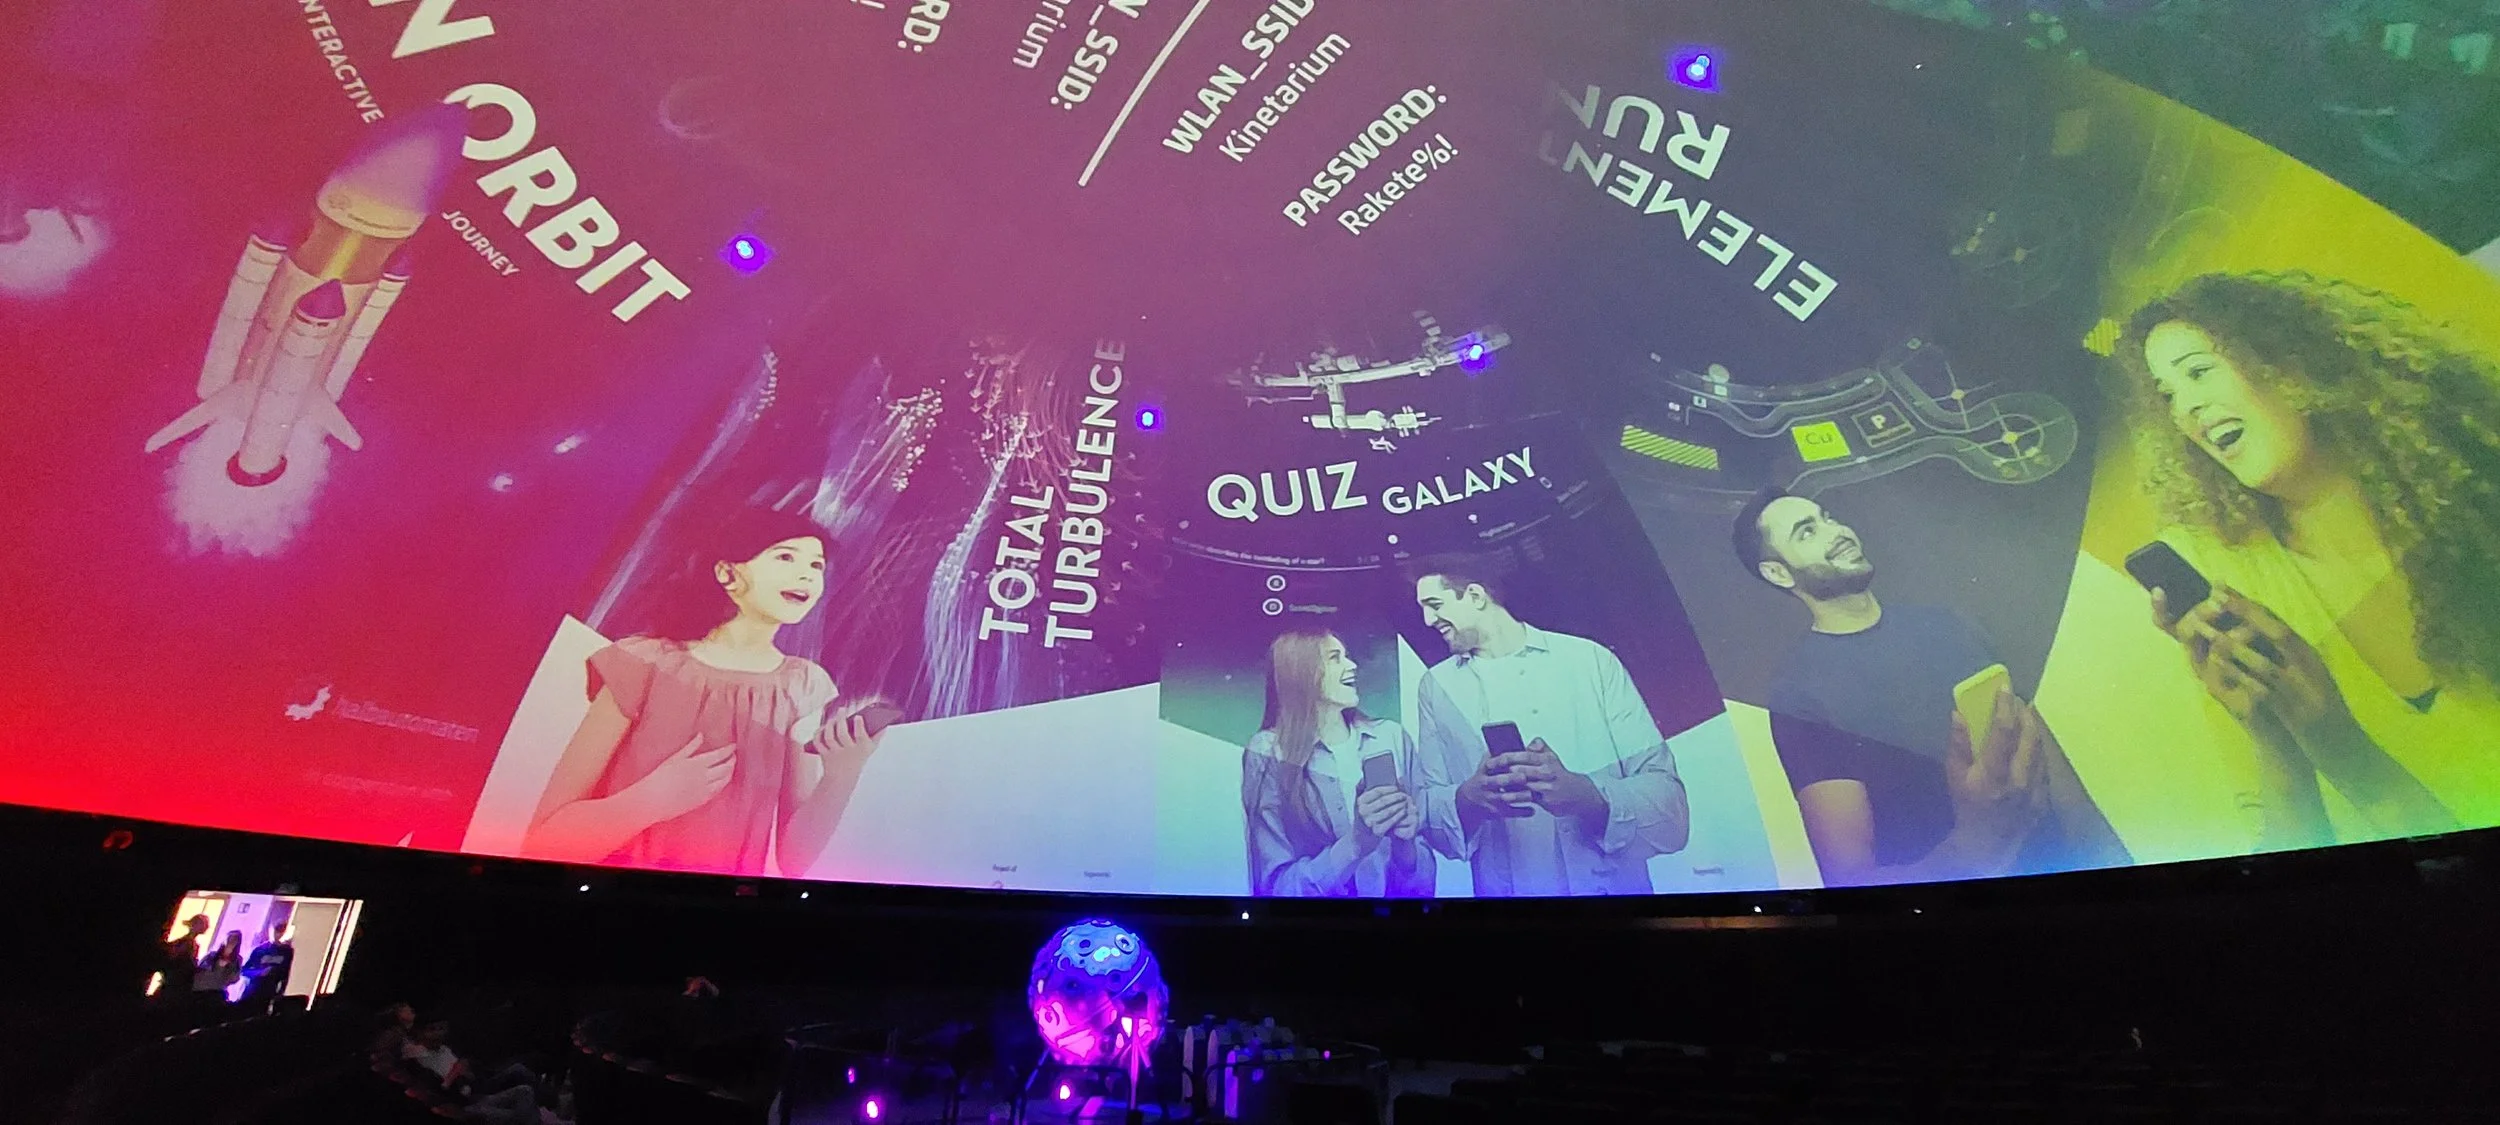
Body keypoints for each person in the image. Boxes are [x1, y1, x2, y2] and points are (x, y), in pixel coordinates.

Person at [2117, 270, 2500, 847]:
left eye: (2198, 371)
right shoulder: (2232, 582)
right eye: (2167, 396)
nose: (2186, 410)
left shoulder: (2476, 508)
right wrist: (2274, 739)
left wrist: (2346, 757)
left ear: (2292, 366)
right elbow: (2281, 859)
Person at [1733, 488, 2130, 886]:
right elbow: (1850, 875)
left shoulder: (1947, 624)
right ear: (1779, 573)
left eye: (1827, 517)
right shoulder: (1799, 692)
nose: (1835, 531)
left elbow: (2042, 749)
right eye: (1806, 532)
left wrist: (2115, 859)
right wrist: (1975, 844)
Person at [524, 508, 887, 876]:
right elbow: (543, 841)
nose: (806, 574)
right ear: (727, 573)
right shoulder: (643, 662)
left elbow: (794, 862)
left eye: (816, 565)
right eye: (785, 557)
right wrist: (648, 801)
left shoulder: (804, 685)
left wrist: (841, 776)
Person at [1406, 555, 1690, 896]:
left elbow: (1670, 809)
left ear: (1476, 596)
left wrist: (1587, 796)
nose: (1428, 620)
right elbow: (1430, 811)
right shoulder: (1435, 687)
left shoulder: (1589, 661)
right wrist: (1469, 797)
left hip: (1615, 899)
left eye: (1434, 605)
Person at [1240, 627, 1434, 897]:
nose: (1352, 665)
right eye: (1334, 658)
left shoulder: (1391, 737)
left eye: (1347, 655)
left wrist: (1406, 848)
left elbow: (1424, 886)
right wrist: (1354, 845)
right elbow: (1274, 888)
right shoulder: (1267, 751)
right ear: (1301, 672)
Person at [238, 925, 295, 1013]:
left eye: (281, 932)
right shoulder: (260, 950)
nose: (278, 935)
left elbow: (285, 976)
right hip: (251, 992)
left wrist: (279, 995)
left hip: (268, 994)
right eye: (277, 931)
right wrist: (260, 973)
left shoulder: (287, 952)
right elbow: (244, 971)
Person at [157, 914, 208, 999]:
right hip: (172, 979)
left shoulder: (193, 945)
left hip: (177, 981)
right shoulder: (185, 942)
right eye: (197, 923)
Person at [193, 930, 244, 998]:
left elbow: (234, 978)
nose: (230, 941)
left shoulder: (237, 961)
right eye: (229, 938)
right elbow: (200, 969)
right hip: (201, 988)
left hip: (217, 992)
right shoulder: (212, 955)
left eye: (234, 940)